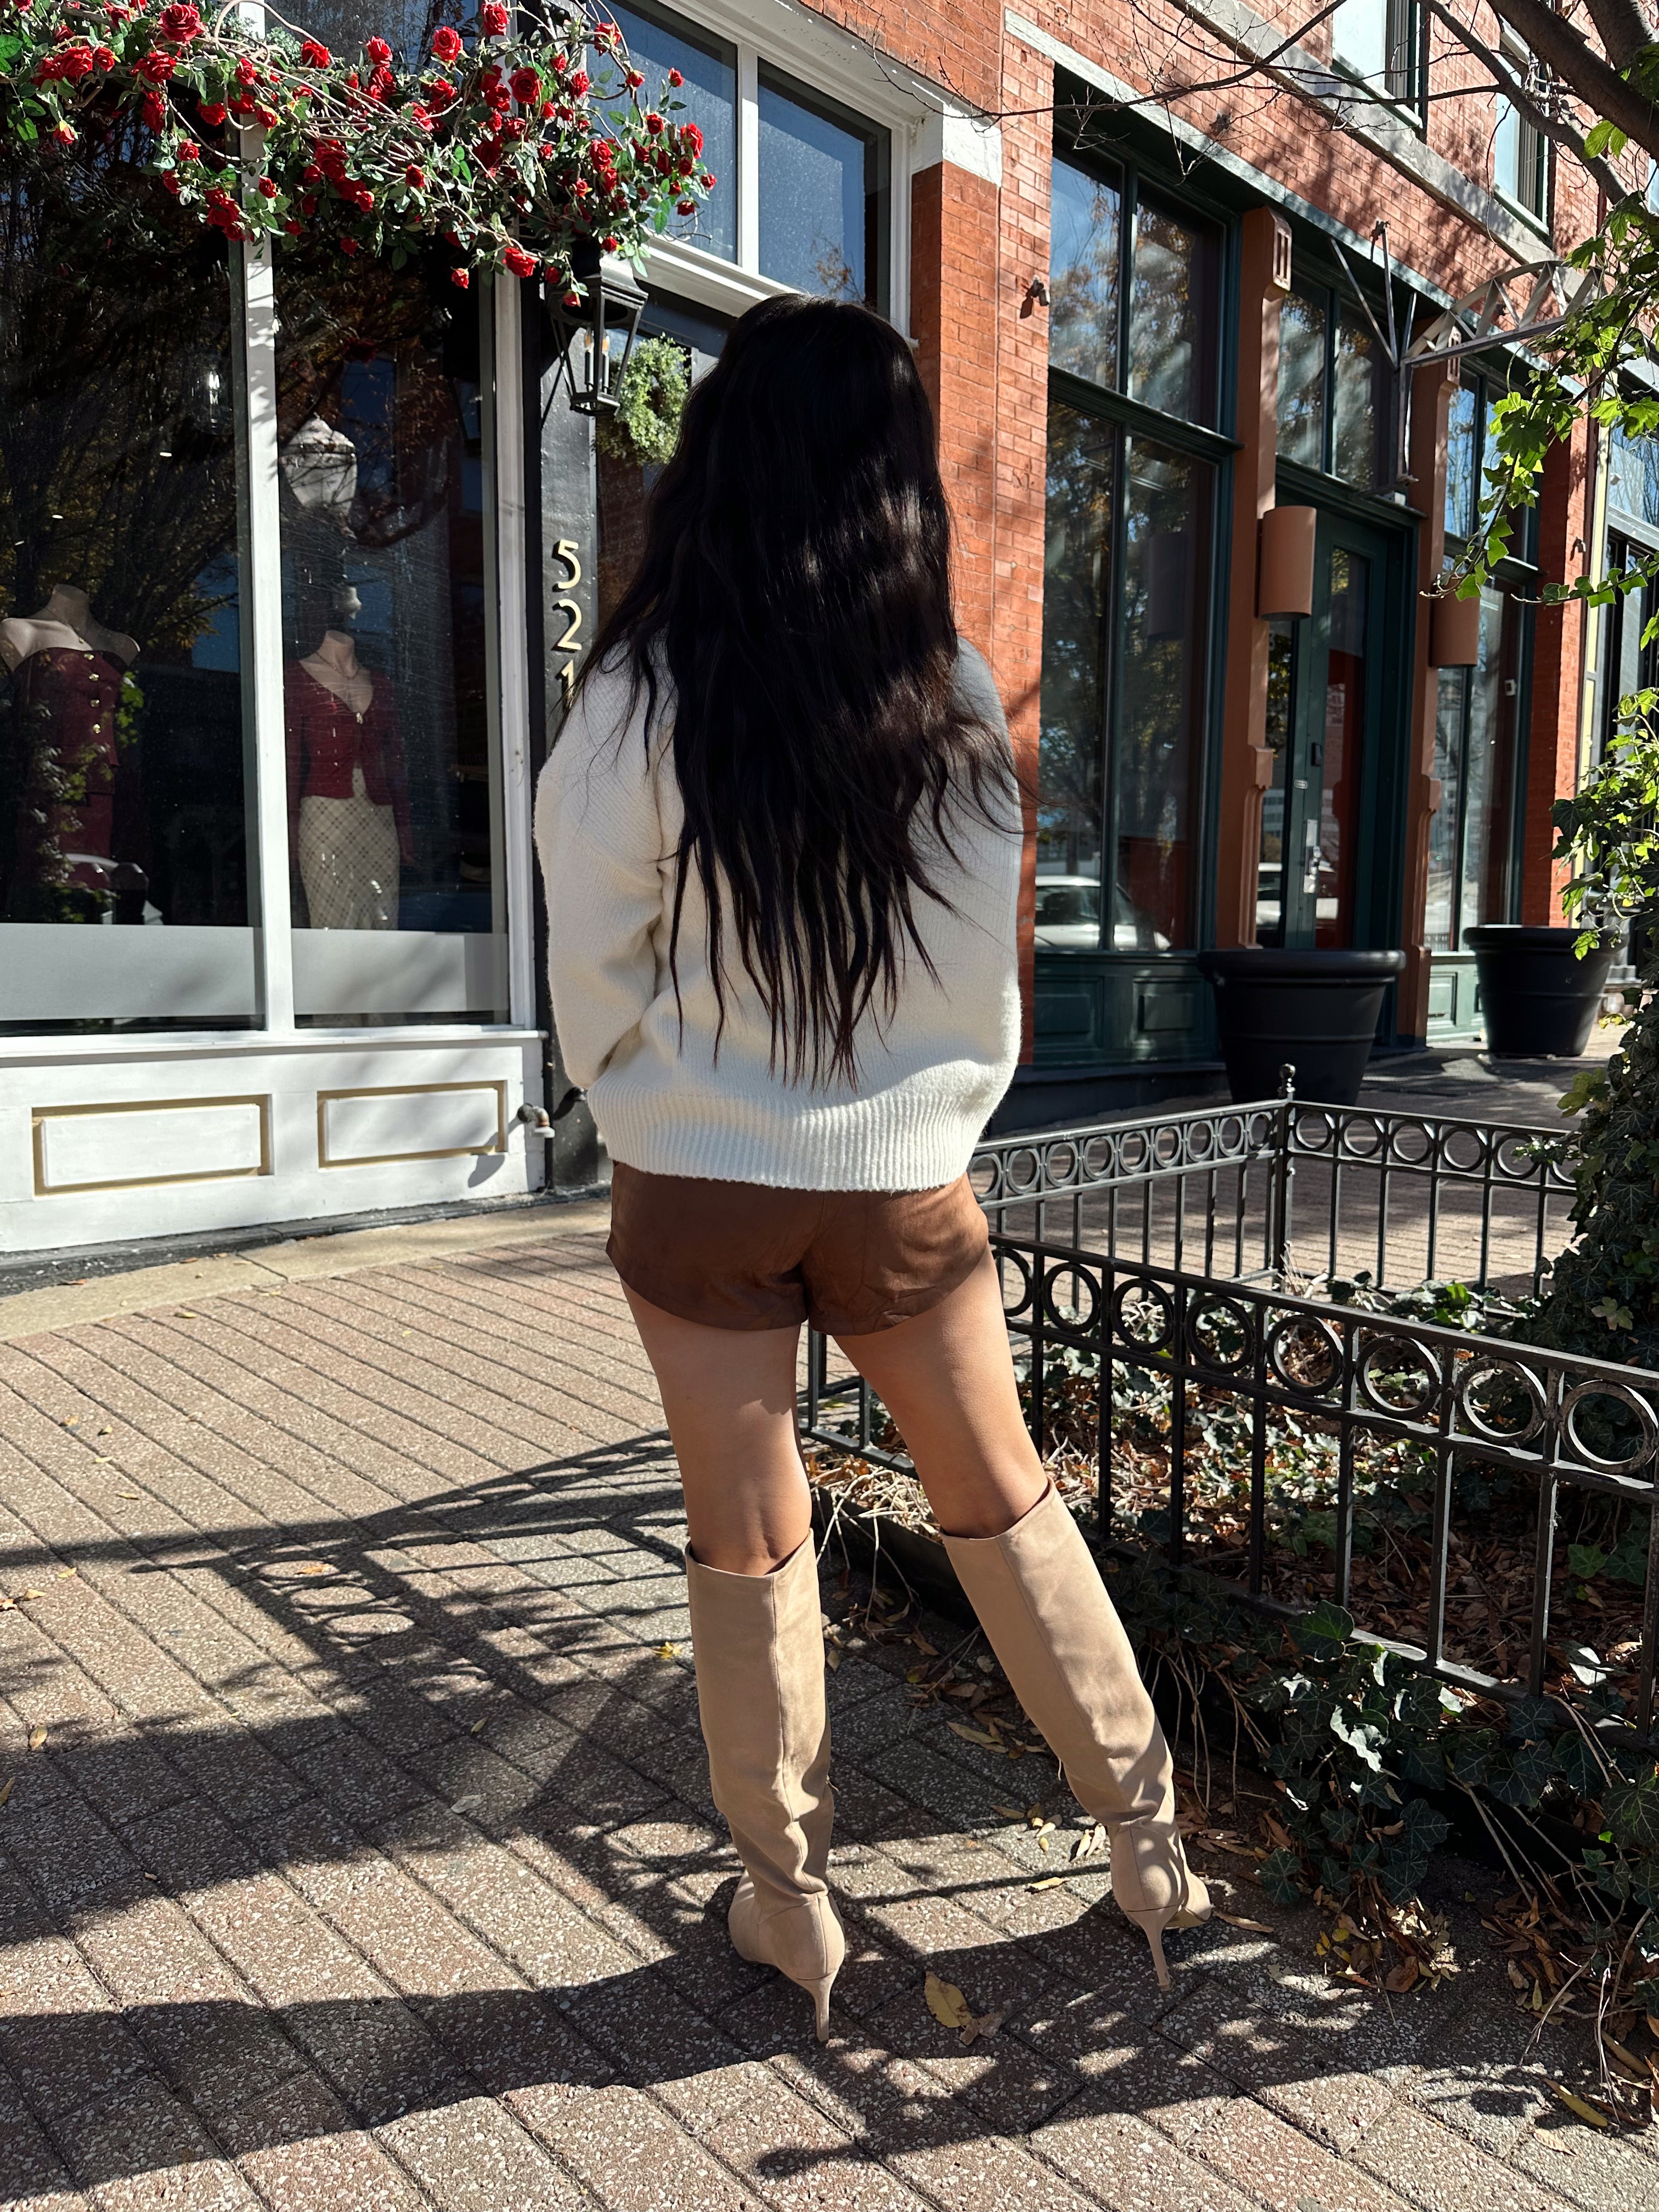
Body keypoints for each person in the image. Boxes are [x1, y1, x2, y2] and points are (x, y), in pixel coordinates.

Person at [535, 295, 1207, 2043]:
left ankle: (791, 1902)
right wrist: (936, 1119)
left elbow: (592, 955)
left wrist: (654, 1101)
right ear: (896, 482)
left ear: (722, 462)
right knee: (1002, 1493)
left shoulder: (640, 697)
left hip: (698, 1183)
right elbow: (981, 975)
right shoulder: (951, 692)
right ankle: (1150, 1853)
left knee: (745, 1532)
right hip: (906, 1176)